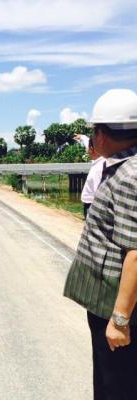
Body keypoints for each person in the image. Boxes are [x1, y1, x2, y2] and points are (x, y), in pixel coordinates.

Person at [64, 89, 137, 400]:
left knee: (115, 384)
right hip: (109, 302)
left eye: (94, 131)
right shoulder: (120, 166)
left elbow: (136, 252)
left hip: (115, 305)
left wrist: (119, 320)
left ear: (103, 135)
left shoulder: (129, 176)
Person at [79, 137, 105, 218]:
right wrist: (82, 137)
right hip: (89, 204)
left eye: (88, 147)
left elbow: (99, 191)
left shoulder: (99, 167)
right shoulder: (97, 161)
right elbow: (88, 142)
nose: (86, 149)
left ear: (91, 149)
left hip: (92, 205)